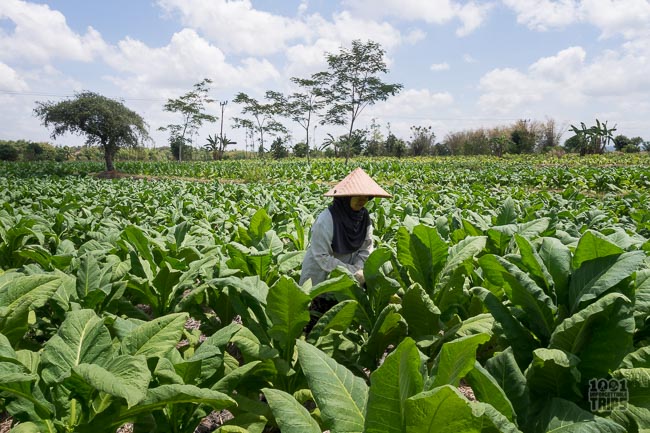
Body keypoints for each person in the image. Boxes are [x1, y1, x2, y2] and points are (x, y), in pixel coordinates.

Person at [299, 167, 392, 287]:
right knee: (321, 303)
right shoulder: (326, 219)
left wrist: (359, 268)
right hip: (320, 275)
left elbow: (366, 247)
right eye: (358, 196)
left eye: (366, 197)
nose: (363, 201)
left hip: (349, 278)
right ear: (345, 197)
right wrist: (351, 271)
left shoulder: (363, 218)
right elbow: (321, 256)